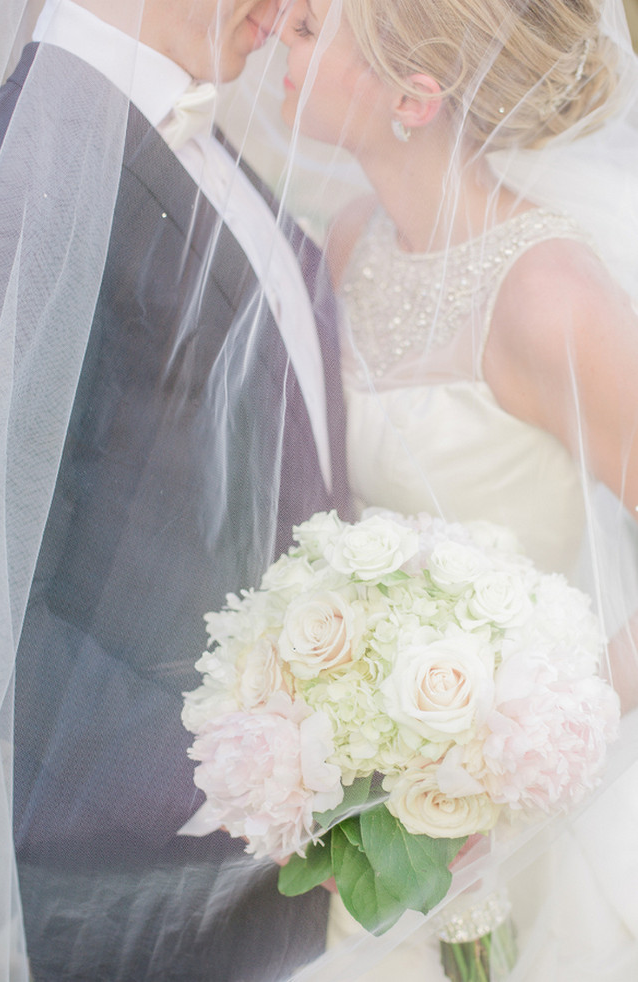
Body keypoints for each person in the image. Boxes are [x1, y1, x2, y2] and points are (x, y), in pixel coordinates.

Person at [0, 0, 351, 979]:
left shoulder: (185, 129)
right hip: (143, 887)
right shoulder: (43, 154)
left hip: (286, 853)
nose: (295, 12)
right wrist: (234, 784)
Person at [275, 0, 638, 977]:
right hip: (388, 800)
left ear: (413, 95)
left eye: (312, 27)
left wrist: (521, 750)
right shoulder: (354, 239)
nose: (278, 32)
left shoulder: (547, 293)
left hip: (531, 797)